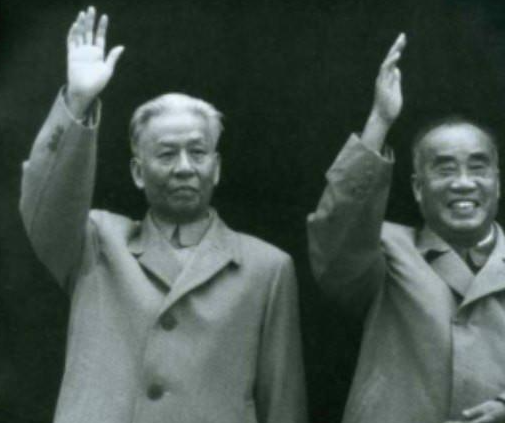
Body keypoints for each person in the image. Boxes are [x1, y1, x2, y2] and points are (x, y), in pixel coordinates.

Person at [20, 7, 306, 423]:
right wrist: (78, 102)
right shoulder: (95, 241)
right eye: (167, 154)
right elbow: (46, 202)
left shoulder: (268, 267)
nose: (185, 167)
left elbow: (283, 403)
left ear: (217, 167)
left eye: (198, 152)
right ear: (138, 172)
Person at [307, 33, 505, 423]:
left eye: (478, 167)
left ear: (498, 183)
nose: (463, 183)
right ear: (418, 188)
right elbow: (336, 233)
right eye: (445, 169)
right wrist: (379, 121)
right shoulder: (382, 251)